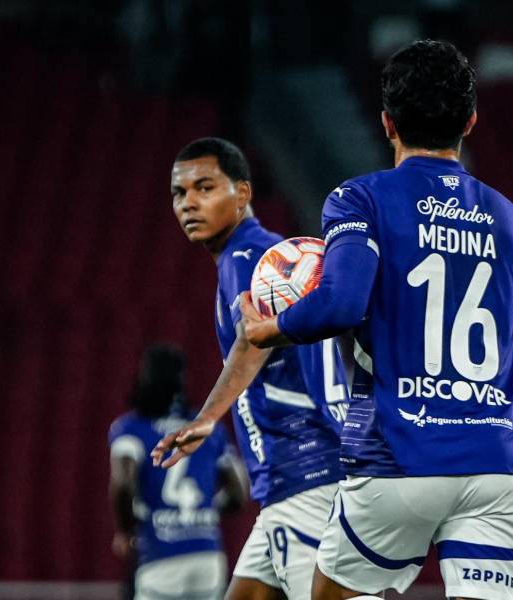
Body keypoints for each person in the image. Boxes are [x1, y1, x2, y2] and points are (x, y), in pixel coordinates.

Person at [240, 40, 513, 600]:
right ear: (471, 121)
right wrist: (506, 351)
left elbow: (340, 304)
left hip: (395, 459)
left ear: (386, 123)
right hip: (493, 470)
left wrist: (267, 330)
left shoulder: (361, 200)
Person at [150, 137, 349, 600]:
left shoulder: (249, 258)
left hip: (303, 473)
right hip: (297, 474)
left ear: (242, 194)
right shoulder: (270, 254)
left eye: (205, 187)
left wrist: (204, 418)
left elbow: (251, 339)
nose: (189, 203)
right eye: (180, 194)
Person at [109, 344, 248, 600]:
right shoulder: (207, 427)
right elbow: (239, 492)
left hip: (159, 558)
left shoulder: (129, 428)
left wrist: (125, 530)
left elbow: (123, 485)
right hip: (208, 557)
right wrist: (203, 512)